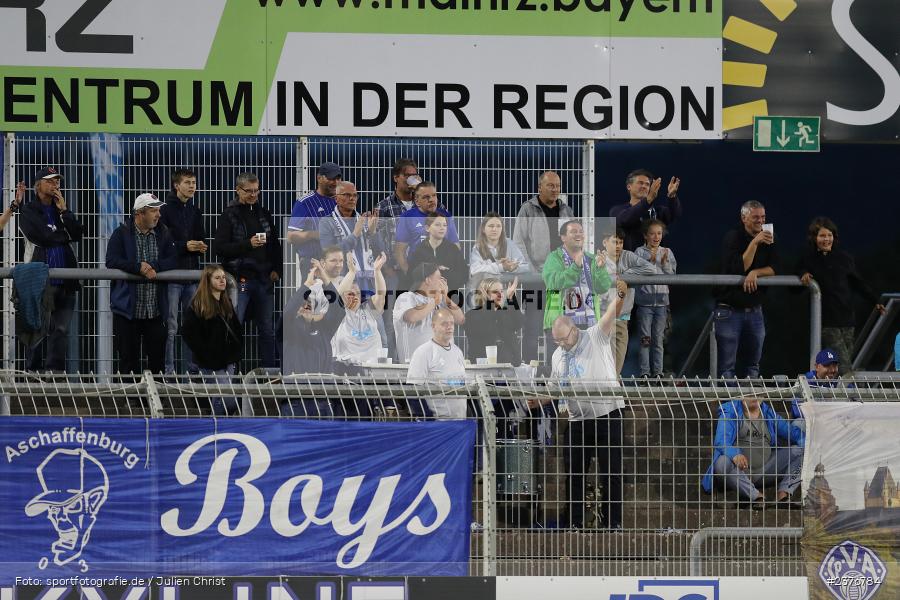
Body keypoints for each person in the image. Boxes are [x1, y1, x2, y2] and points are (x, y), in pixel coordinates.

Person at [550, 290, 626, 529]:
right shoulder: (557, 355)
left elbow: (612, 313)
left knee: (611, 473)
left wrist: (621, 294)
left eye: (564, 339)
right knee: (574, 475)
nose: (562, 344)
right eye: (557, 341)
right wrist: (540, 400)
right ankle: (574, 521)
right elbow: (555, 387)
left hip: (607, 415)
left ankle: (612, 524)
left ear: (575, 331)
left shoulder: (595, 336)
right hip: (577, 420)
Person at [797, 217, 886, 375]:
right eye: (822, 236)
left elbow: (858, 283)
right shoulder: (807, 258)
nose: (826, 239)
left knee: (838, 364)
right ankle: (851, 397)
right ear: (814, 238)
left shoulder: (844, 258)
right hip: (827, 322)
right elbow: (795, 284)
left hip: (847, 320)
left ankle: (836, 395)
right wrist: (803, 274)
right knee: (844, 365)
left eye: (829, 235)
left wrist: (875, 301)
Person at [214, 172, 283, 369]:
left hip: (264, 280)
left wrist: (277, 269)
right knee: (234, 327)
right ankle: (231, 375)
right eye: (249, 191)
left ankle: (270, 375)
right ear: (238, 190)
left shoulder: (264, 213)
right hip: (239, 280)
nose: (254, 195)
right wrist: (248, 244)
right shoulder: (229, 215)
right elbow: (220, 248)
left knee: (267, 330)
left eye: (256, 190)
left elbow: (275, 245)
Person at [18, 168, 84, 372]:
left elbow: (78, 233)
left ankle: (54, 373)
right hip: (40, 280)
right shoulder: (29, 210)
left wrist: (65, 212)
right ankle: (33, 373)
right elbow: (42, 237)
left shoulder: (60, 210)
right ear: (39, 185)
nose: (56, 184)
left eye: (58, 181)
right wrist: (64, 235)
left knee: (61, 329)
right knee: (37, 329)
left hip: (65, 281)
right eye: (51, 181)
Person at [105, 193, 177, 375]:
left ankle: (157, 401)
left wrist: (153, 266)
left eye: (158, 210)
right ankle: (131, 402)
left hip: (155, 310)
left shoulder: (164, 233)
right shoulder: (121, 233)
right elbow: (111, 260)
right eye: (153, 210)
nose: (158, 215)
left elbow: (174, 260)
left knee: (157, 361)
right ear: (139, 213)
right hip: (128, 311)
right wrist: (138, 268)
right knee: (128, 361)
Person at [512, 171, 575, 362]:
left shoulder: (566, 210)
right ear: (540, 187)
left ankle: (554, 369)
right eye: (551, 186)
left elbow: (574, 240)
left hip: (560, 279)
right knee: (533, 326)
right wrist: (532, 272)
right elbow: (519, 242)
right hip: (536, 279)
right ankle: (531, 373)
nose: (555, 189)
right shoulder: (528, 209)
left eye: (557, 186)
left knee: (557, 326)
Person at [714, 200, 777, 379]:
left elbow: (776, 268)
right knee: (727, 367)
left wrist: (756, 273)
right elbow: (739, 268)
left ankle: (752, 405)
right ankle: (730, 405)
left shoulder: (770, 236)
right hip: (729, 309)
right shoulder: (733, 237)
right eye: (755, 217)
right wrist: (755, 243)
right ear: (744, 218)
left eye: (763, 217)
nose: (760, 220)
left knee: (753, 364)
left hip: (755, 309)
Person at [701, 396, 805, 505]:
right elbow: (721, 441)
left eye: (759, 393)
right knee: (721, 463)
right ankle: (755, 496)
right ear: (741, 395)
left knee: (802, 451)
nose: (755, 396)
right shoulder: (731, 411)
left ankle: (784, 493)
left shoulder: (768, 413)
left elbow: (793, 433)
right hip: (738, 472)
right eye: (750, 392)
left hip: (765, 470)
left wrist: (809, 443)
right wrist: (735, 455)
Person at [542, 220, 613, 362]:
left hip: (589, 323)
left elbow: (603, 287)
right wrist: (575, 266)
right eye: (573, 231)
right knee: (561, 366)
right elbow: (554, 282)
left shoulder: (591, 258)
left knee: (588, 366)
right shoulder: (553, 258)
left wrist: (599, 269)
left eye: (581, 231)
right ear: (563, 237)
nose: (578, 234)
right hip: (561, 323)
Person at [159, 168, 207, 376]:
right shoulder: (164, 210)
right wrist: (185, 246)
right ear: (176, 185)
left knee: (192, 326)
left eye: (194, 182)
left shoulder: (195, 211)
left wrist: (199, 247)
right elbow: (163, 243)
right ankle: (168, 371)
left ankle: (192, 371)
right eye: (187, 182)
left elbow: (200, 237)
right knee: (170, 327)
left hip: (191, 275)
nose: (192, 186)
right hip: (171, 276)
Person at [375, 158, 422, 360]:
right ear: (396, 178)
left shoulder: (424, 203)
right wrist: (386, 269)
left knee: (419, 316)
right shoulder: (384, 206)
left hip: (420, 273)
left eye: (415, 175)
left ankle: (416, 361)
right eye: (408, 175)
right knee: (391, 320)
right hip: (393, 272)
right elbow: (375, 238)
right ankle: (393, 364)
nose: (413, 179)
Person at [180, 265, 243, 415]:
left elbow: (236, 329)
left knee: (221, 396)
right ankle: (218, 424)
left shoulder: (225, 302)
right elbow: (188, 333)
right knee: (226, 398)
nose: (223, 280)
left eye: (223, 277)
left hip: (228, 360)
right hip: (211, 363)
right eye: (217, 278)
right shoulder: (198, 305)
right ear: (208, 281)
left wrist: (235, 351)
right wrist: (206, 354)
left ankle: (218, 424)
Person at [600, 227, 661, 374]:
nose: (618, 246)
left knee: (616, 368)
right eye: (615, 242)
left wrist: (625, 275)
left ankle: (612, 393)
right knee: (601, 365)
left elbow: (651, 270)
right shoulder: (598, 260)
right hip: (602, 318)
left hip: (622, 319)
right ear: (605, 242)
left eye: (621, 242)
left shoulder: (628, 256)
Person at [318, 180, 381, 295]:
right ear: (336, 198)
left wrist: (373, 233)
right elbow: (329, 254)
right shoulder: (326, 222)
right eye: (347, 195)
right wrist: (355, 234)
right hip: (343, 281)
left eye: (355, 195)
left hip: (368, 282)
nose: (352, 198)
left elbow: (381, 253)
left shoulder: (364, 220)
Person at [393, 263, 465, 363]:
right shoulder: (407, 297)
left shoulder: (442, 301)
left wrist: (445, 297)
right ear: (427, 280)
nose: (443, 281)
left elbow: (460, 319)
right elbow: (411, 317)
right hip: (416, 369)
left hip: (443, 367)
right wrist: (434, 302)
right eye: (439, 278)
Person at [407, 308, 469, 419]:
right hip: (439, 425)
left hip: (461, 424)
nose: (449, 327)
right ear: (433, 326)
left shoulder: (458, 352)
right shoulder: (423, 352)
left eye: (451, 323)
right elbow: (412, 391)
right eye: (444, 324)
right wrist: (429, 419)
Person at [633, 220, 677, 378]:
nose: (656, 236)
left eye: (659, 233)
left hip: (662, 304)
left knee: (658, 340)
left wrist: (664, 264)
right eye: (652, 233)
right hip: (645, 304)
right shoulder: (639, 252)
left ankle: (658, 373)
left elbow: (672, 276)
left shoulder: (667, 251)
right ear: (645, 235)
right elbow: (637, 272)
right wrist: (650, 261)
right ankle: (644, 373)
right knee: (645, 340)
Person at [393, 181, 460, 278]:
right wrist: (409, 274)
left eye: (434, 196)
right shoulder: (407, 217)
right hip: (418, 274)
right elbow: (399, 251)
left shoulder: (446, 215)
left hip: (442, 274)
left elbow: (456, 247)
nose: (431, 200)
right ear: (417, 201)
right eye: (426, 197)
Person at [332, 252, 388, 364]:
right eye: (350, 293)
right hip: (348, 371)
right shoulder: (338, 314)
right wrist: (352, 272)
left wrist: (377, 271)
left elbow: (381, 295)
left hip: (374, 371)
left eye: (357, 293)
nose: (355, 296)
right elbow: (340, 293)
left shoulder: (369, 310)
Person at [287, 161, 341, 274]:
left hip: (338, 263)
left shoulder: (341, 202)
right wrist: (314, 234)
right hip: (313, 264)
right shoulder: (304, 203)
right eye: (331, 178)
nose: (335, 182)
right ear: (319, 178)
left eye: (338, 178)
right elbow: (291, 236)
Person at [609, 169, 682, 251]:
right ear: (629, 186)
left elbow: (675, 214)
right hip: (631, 262)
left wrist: (672, 196)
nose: (644, 186)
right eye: (640, 183)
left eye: (647, 184)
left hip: (655, 262)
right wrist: (648, 200)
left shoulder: (658, 212)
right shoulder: (617, 210)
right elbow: (626, 219)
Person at [464, 277, 523, 365]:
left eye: (502, 291)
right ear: (484, 293)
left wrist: (511, 299)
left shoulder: (504, 312)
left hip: (510, 366)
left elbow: (519, 323)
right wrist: (489, 305)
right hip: (484, 369)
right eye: (495, 292)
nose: (500, 295)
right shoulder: (472, 316)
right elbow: (486, 328)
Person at [406, 213, 468, 298]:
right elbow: (412, 275)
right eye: (438, 225)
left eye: (445, 225)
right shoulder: (420, 250)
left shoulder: (452, 249)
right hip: (424, 296)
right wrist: (435, 268)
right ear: (427, 228)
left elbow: (463, 275)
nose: (442, 228)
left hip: (449, 295)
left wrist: (445, 277)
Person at [469, 212, 532, 289]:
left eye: (498, 226)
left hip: (508, 290)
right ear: (483, 229)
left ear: (502, 229)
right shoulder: (478, 247)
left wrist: (513, 268)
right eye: (491, 226)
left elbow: (526, 266)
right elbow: (474, 270)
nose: (495, 229)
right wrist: (501, 267)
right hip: (486, 291)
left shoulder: (510, 244)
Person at [790, 348, 843, 420]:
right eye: (827, 366)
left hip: (831, 423)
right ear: (817, 367)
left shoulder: (838, 382)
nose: (832, 370)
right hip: (810, 423)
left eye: (835, 366)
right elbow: (796, 411)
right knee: (799, 422)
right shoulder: (806, 380)